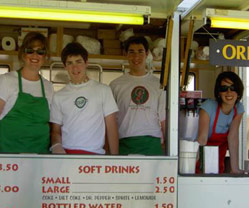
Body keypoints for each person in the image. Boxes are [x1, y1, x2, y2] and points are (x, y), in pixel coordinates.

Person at [50, 42, 119, 155]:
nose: (75, 67)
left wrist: (115, 159)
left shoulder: (103, 90)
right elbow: (55, 131)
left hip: (95, 155)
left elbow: (111, 127)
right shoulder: (58, 96)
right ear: (65, 66)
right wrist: (57, 147)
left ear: (86, 63)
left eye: (79, 62)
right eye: (70, 63)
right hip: (67, 155)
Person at [110, 36, 166, 155]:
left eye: (140, 52)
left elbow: (164, 119)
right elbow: (110, 121)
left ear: (147, 54)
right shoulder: (115, 85)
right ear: (126, 54)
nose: (136, 57)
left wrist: (169, 148)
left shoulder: (158, 85)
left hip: (152, 144)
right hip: (124, 144)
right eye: (132, 52)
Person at [0, 32, 54, 153]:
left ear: (45, 57)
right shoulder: (6, 81)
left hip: (40, 159)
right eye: (30, 50)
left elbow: (50, 124)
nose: (35, 55)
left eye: (40, 52)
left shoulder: (48, 87)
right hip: (8, 159)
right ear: (23, 54)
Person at [196, 71, 244, 174]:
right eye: (224, 88)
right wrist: (194, 167)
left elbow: (233, 137)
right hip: (199, 159)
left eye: (233, 88)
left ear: (238, 91)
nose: (229, 92)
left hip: (219, 160)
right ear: (218, 92)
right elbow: (202, 139)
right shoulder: (208, 106)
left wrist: (234, 169)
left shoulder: (238, 109)